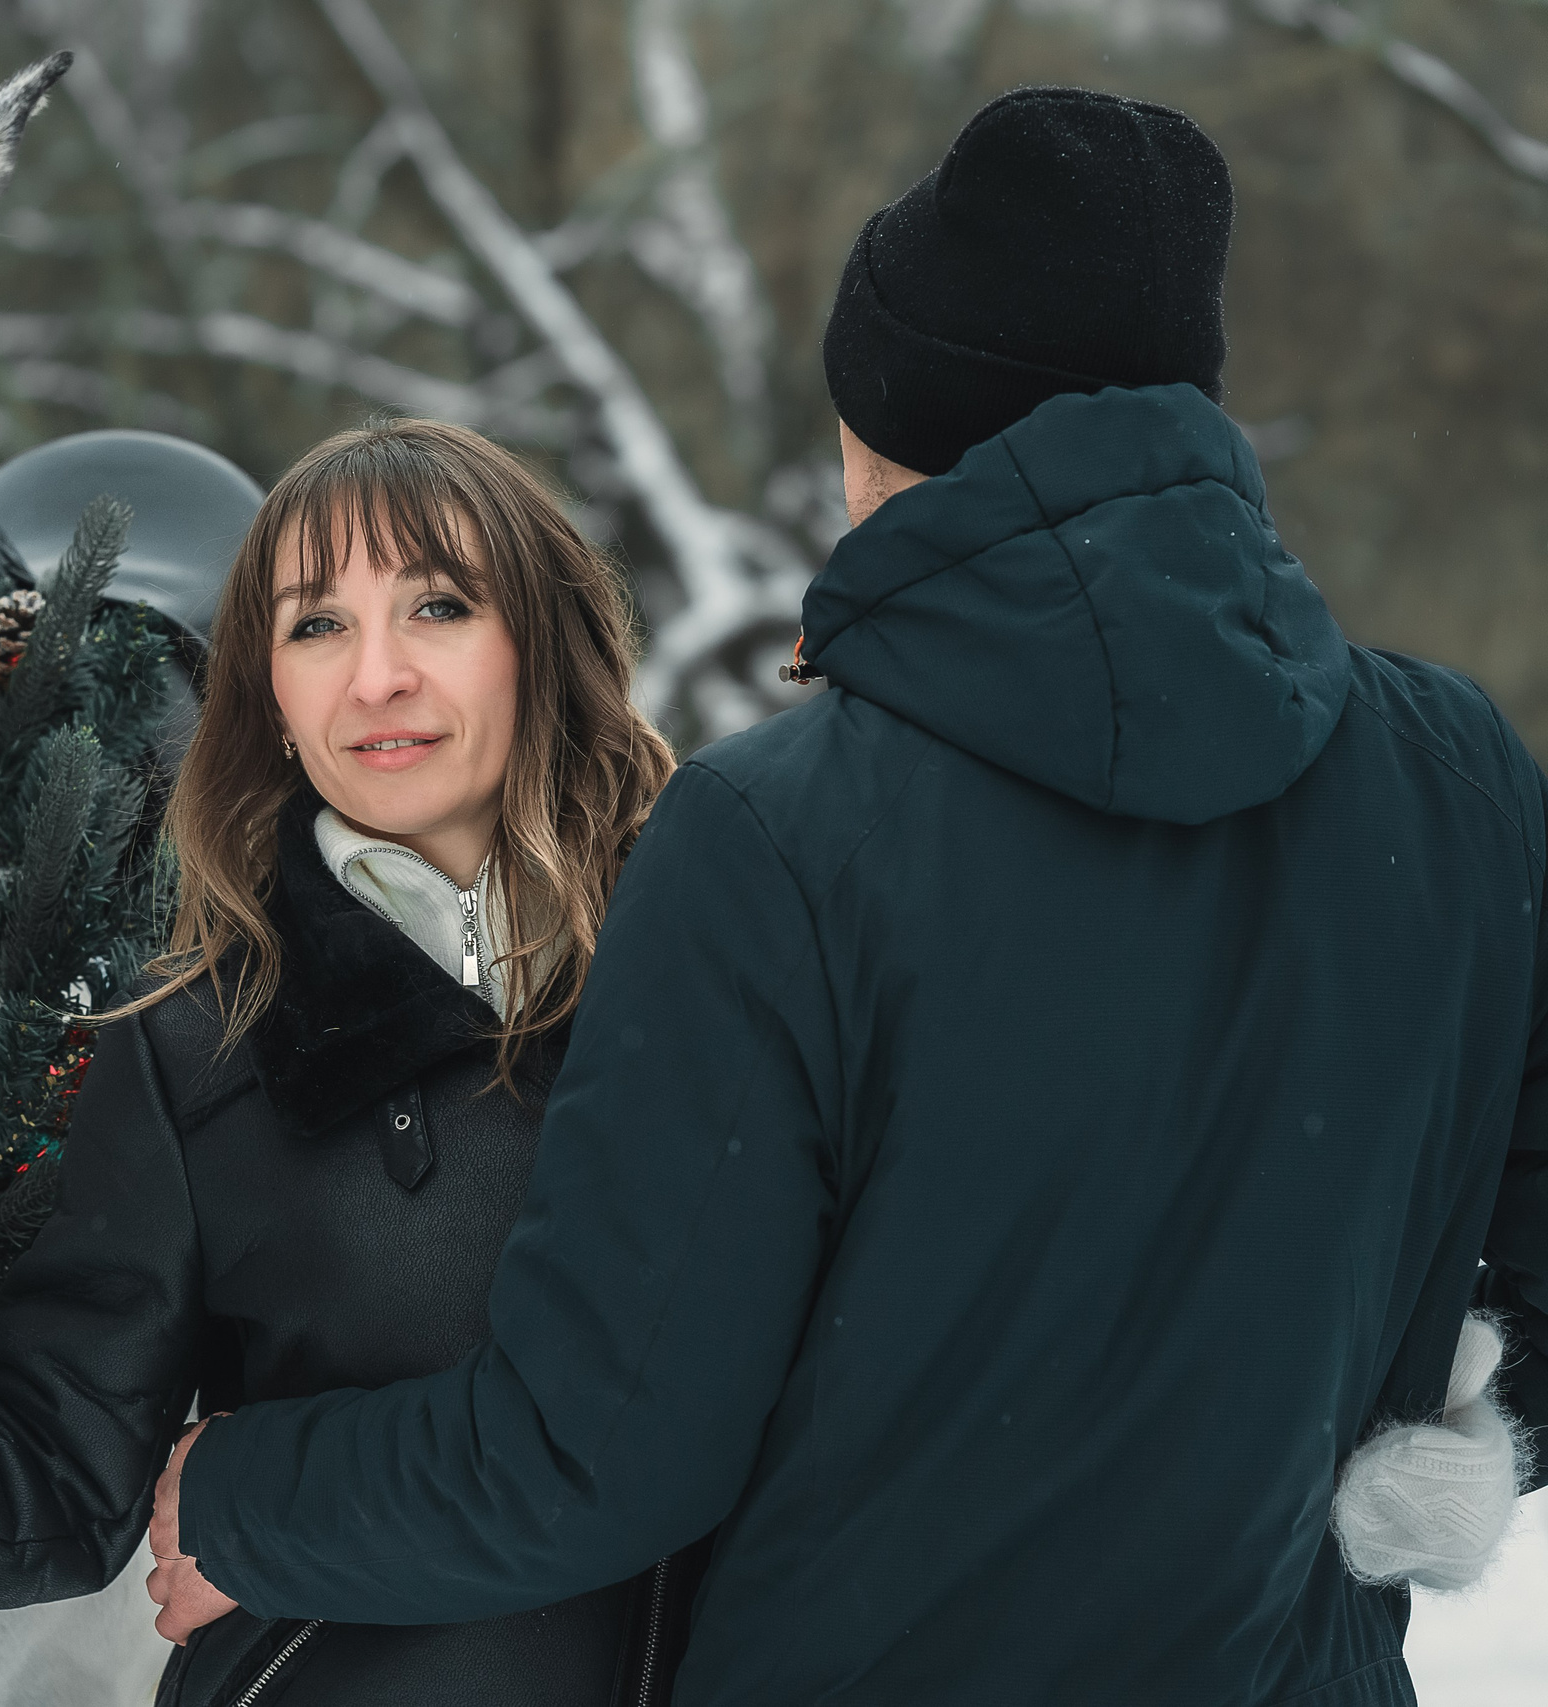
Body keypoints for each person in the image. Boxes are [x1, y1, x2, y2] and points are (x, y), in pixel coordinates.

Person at [148, 87, 1548, 1706]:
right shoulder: (1458, 779)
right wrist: (1469, 1426)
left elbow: (598, 1449)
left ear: (883, 438)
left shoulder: (773, 839)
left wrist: (248, 1499)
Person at [0, 417, 684, 1706]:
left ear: (543, 641)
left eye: (440, 606)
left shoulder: (724, 957)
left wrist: (279, 1497)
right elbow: (52, 1483)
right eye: (315, 626)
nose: (377, 677)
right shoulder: (193, 1039)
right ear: (271, 701)